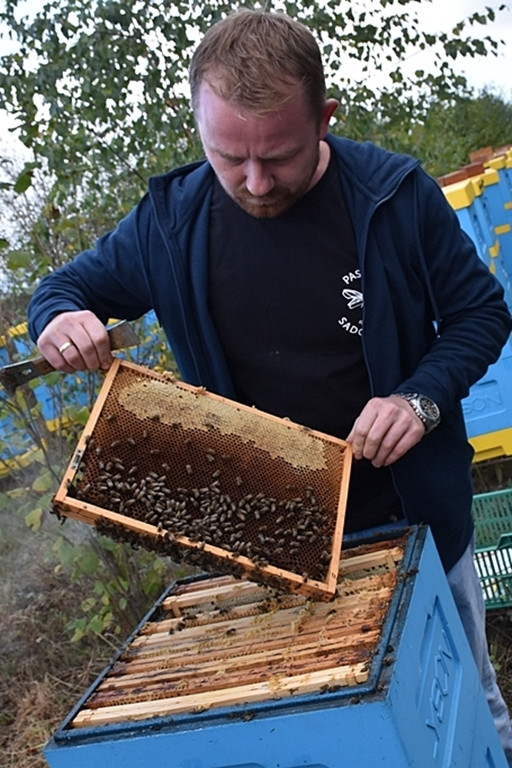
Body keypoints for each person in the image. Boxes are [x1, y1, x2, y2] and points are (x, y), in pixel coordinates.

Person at [27, 9, 512, 762]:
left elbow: (482, 313)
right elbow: (64, 289)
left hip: (411, 519)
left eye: (279, 157)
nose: (255, 183)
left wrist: (420, 397)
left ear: (324, 117)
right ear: (200, 130)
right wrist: (59, 321)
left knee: (466, 709)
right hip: (271, 541)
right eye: (229, 158)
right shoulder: (169, 223)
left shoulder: (394, 197)